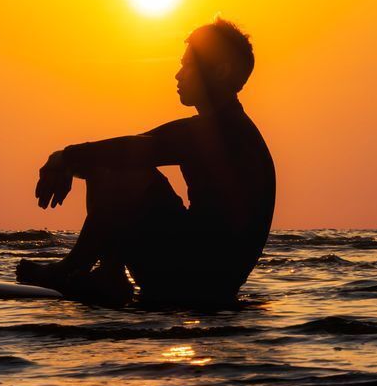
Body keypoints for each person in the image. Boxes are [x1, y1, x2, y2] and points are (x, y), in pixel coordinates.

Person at [17, 17, 275, 306]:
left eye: (188, 65)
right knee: (115, 160)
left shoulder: (225, 134)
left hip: (193, 280)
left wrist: (64, 158)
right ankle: (108, 273)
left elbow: (128, 153)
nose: (178, 75)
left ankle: (82, 270)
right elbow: (134, 145)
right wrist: (67, 160)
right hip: (209, 280)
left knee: (116, 165)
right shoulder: (222, 128)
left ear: (220, 71)